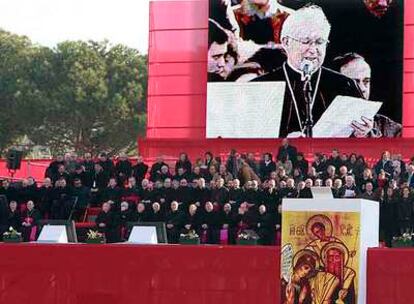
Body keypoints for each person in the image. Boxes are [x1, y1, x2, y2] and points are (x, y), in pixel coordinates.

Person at [252, 5, 363, 137]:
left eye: (319, 42)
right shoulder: (258, 88)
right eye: (306, 41)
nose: (313, 49)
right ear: (286, 42)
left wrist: (363, 133)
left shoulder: (345, 86)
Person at [334, 52, 401, 137]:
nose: (363, 88)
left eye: (366, 81)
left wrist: (369, 136)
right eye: (354, 82)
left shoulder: (388, 128)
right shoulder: (316, 124)